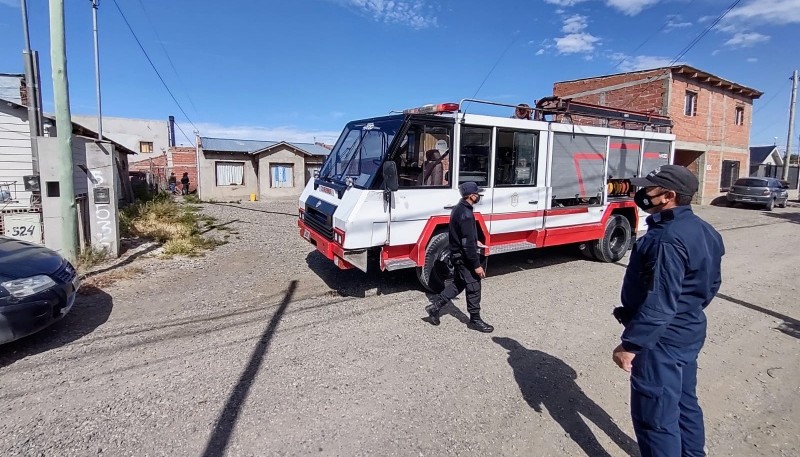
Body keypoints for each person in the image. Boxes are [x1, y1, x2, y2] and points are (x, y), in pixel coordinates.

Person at [612, 165, 724, 457]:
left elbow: (659, 303)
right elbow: (711, 285)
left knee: (656, 418)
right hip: (688, 331)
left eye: (650, 188)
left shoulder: (666, 239)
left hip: (661, 341)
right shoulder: (704, 230)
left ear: (668, 196)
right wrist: (687, 312)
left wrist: (631, 344)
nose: (643, 193)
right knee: (684, 404)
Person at [424, 181, 493, 333]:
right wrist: (476, 265)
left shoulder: (458, 208)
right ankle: (475, 320)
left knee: (459, 283)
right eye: (477, 194)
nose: (479, 196)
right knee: (474, 286)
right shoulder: (466, 215)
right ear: (471, 196)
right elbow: (468, 245)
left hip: (456, 255)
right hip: (465, 257)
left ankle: (434, 307)